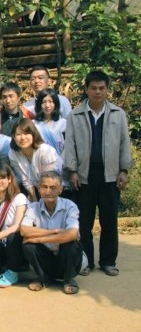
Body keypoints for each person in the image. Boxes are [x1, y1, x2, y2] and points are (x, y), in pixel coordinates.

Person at [64, 70, 132, 277]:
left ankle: (108, 261)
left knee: (109, 220)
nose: (97, 92)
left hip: (110, 174)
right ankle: (86, 261)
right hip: (84, 175)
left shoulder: (118, 114)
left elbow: (124, 144)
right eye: (93, 88)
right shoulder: (75, 115)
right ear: (86, 90)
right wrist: (72, 171)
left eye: (102, 88)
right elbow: (70, 145)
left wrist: (123, 170)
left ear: (107, 90)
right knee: (84, 222)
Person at [20, 171, 83, 294]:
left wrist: (39, 239)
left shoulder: (70, 206)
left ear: (61, 189)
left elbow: (72, 234)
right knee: (28, 245)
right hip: (45, 257)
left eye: (53, 188)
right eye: (44, 187)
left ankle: (68, 280)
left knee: (73, 245)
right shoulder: (33, 207)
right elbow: (24, 230)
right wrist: (54, 231)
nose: (48, 192)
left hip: (65, 258)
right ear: (39, 188)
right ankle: (43, 278)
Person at [8, 119, 64, 202]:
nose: (22, 138)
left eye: (26, 133)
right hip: (39, 189)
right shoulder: (13, 153)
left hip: (58, 189)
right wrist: (35, 202)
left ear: (33, 134)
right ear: (13, 137)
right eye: (18, 134)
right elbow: (25, 179)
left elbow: (49, 179)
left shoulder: (45, 151)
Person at [33, 88, 66, 155]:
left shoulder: (63, 123)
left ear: (56, 103)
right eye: (44, 102)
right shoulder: (34, 124)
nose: (47, 106)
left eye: (50, 102)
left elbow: (68, 146)